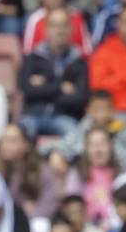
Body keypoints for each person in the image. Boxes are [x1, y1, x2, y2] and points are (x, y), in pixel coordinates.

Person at [19, 8, 90, 139]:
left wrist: (44, 86)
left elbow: (79, 99)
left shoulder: (80, 63)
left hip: (65, 117)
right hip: (33, 115)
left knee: (76, 137)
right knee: (17, 135)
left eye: (64, 25)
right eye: (54, 25)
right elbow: (28, 90)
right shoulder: (32, 59)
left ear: (71, 29)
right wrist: (61, 87)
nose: (59, 30)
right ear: (45, 29)